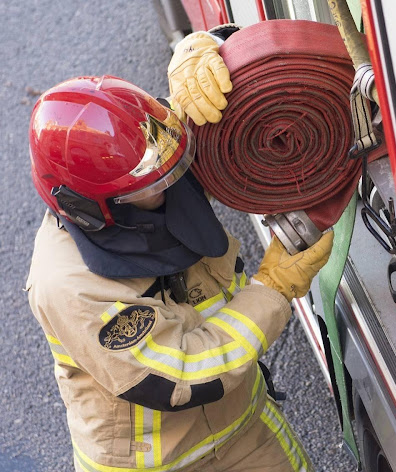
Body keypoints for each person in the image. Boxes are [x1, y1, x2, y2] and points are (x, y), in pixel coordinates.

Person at [25, 28, 329, 471]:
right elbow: (182, 374)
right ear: (91, 207)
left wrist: (209, 48)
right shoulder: (69, 285)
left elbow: (236, 106)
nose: (175, 185)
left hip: (245, 428)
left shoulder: (147, 160)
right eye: (154, 184)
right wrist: (273, 289)